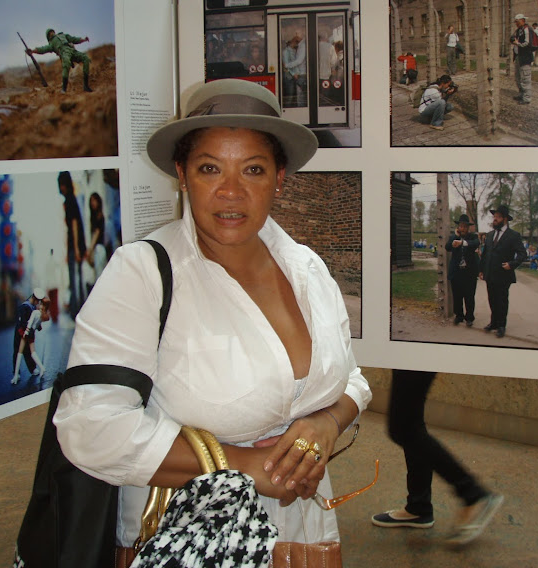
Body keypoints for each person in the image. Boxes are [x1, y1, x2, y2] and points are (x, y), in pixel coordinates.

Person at [52, 79, 372, 560]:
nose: (230, 192)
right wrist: (244, 466)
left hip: (304, 524)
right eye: (209, 168)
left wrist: (327, 421)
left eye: (253, 169)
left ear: (279, 178)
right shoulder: (143, 274)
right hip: (192, 531)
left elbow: (352, 377)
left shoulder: (306, 268)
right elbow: (90, 427)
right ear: (182, 174)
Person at [372, 369, 503, 546]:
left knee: (402, 428)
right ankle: (419, 507)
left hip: (415, 348)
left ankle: (472, 493)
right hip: (410, 348)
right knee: (410, 423)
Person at [479, 205, 527, 338]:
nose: (495, 219)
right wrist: (481, 270)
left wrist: (512, 264)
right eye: (494, 217)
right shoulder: (489, 235)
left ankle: (501, 325)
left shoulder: (513, 235)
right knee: (492, 299)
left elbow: (522, 254)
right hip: (489, 274)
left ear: (505, 219)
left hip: (503, 274)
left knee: (501, 300)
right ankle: (493, 322)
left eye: (498, 217)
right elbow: (485, 254)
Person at [58, 171, 87, 319]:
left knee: (75, 278)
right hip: (76, 245)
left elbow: (74, 224)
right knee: (78, 277)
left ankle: (77, 311)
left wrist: (75, 248)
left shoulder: (69, 200)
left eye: (61, 184)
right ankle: (81, 310)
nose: (61, 187)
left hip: (74, 245)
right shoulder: (72, 199)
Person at [26, 28, 92, 93]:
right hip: (63, 52)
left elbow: (74, 39)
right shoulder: (51, 44)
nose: (51, 33)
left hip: (72, 50)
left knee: (85, 58)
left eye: (52, 31)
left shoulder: (63, 35)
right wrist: (32, 51)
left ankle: (86, 86)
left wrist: (84, 40)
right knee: (66, 64)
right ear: (48, 37)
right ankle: (64, 89)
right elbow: (43, 49)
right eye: (49, 33)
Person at [447, 214, 479, 326]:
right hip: (457, 272)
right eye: (461, 226)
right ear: (458, 227)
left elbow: (476, 244)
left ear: (468, 228)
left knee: (469, 296)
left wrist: (462, 243)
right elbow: (447, 247)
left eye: (465, 226)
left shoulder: (473, 237)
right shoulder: (454, 236)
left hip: (469, 272)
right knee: (457, 295)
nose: (463, 228)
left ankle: (469, 317)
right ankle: (459, 315)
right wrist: (455, 236)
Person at [11, 298, 50, 384]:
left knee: (19, 353)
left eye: (40, 303)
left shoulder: (35, 312)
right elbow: (38, 327)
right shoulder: (42, 315)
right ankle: (42, 368)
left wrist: (26, 332)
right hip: (32, 334)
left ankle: (16, 375)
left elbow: (29, 323)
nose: (38, 304)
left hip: (27, 333)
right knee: (33, 353)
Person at [85, 192, 108, 292]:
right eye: (91, 201)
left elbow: (97, 233)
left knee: (99, 277)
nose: (93, 203)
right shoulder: (94, 217)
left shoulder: (99, 217)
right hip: (97, 249)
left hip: (99, 248)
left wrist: (89, 250)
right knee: (98, 276)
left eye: (94, 200)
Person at [511, 14, 533, 105]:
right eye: (515, 21)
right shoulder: (519, 30)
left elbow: (527, 43)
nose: (516, 23)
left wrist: (517, 43)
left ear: (522, 20)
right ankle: (521, 94)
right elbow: (512, 38)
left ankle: (527, 98)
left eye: (517, 21)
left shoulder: (527, 29)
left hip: (525, 58)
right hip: (518, 57)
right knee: (518, 77)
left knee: (525, 78)